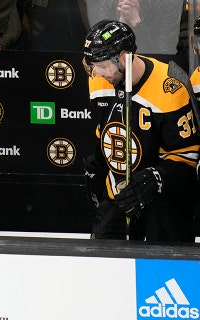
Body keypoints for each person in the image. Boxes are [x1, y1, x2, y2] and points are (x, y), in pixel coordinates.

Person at [82, 19, 199, 242]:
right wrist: (97, 162)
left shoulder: (170, 86)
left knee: (161, 270)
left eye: (103, 65)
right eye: (94, 65)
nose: (97, 73)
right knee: (103, 266)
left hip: (163, 204)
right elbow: (103, 130)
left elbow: (187, 155)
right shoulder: (98, 81)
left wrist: (156, 178)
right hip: (118, 195)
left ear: (125, 57)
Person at [96, 0, 183, 55]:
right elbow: (103, 41)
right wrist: (120, 26)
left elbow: (164, 52)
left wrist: (136, 22)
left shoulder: (165, 5)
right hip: (117, 68)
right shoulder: (109, 4)